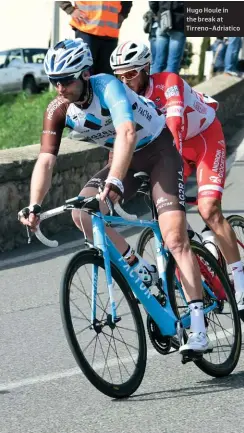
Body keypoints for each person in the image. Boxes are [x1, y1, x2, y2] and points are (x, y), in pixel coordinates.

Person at [18, 38, 212, 355]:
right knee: (81, 212)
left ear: (84, 75)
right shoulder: (58, 107)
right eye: (54, 81)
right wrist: (34, 204)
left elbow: (127, 133)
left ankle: (199, 329)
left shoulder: (107, 86)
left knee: (175, 239)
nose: (59, 88)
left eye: (65, 80)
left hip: (158, 152)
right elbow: (46, 160)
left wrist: (116, 181)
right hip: (125, 158)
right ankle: (138, 266)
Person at [110, 40, 244, 312]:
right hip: (173, 147)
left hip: (204, 138)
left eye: (131, 73)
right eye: (120, 76)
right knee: (170, 223)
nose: (125, 81)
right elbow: (119, 140)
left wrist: (175, 179)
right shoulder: (123, 99)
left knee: (208, 209)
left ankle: (241, 283)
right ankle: (200, 275)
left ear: (146, 68)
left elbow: (174, 127)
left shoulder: (167, 82)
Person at [59, 1, 132, 74]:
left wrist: (123, 14)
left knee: (106, 76)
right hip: (86, 30)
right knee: (86, 73)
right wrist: (70, 10)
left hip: (110, 35)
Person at [149, 1, 185, 74]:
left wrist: (159, 13)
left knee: (158, 62)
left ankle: (153, 84)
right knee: (173, 64)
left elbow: (153, 3)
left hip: (163, 19)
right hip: (179, 21)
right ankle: (170, 85)